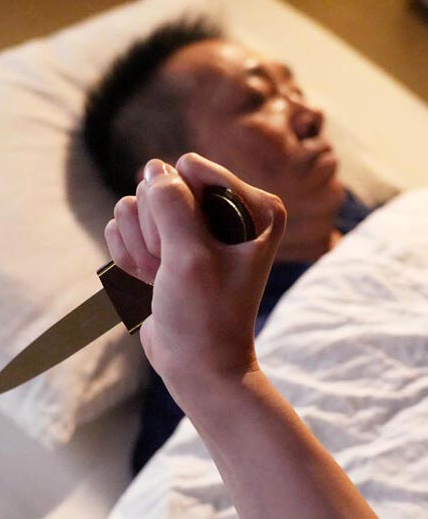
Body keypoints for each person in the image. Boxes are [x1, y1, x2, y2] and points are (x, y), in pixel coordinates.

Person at [83, 18, 375, 476]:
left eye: (293, 89)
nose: (311, 114)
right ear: (173, 181)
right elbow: (173, 490)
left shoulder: (387, 222)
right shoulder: (214, 350)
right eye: (258, 99)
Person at [104, 154, 376, 518]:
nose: (309, 122)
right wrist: (210, 373)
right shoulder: (177, 398)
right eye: (253, 108)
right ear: (166, 193)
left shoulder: (402, 221)